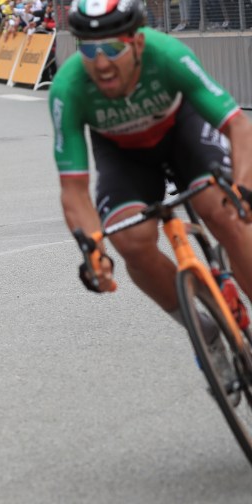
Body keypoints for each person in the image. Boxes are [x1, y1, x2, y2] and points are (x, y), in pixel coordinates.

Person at [50, 0, 252, 385]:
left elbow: (239, 130)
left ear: (138, 43)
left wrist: (244, 189)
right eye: (89, 49)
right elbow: (73, 189)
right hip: (123, 156)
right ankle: (204, 333)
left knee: (223, 208)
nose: (101, 63)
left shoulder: (167, 54)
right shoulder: (67, 88)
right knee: (131, 241)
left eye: (112, 48)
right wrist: (93, 249)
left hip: (183, 133)